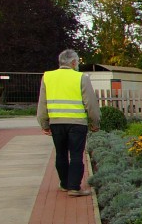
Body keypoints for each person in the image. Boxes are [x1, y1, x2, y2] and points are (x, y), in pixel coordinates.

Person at [36, 49, 100, 196]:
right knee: (76, 154)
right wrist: (95, 122)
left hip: (56, 122)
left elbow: (42, 103)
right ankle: (74, 187)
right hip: (77, 123)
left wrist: (44, 124)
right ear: (73, 62)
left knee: (61, 153)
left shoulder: (47, 77)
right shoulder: (81, 77)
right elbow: (91, 103)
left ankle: (64, 184)